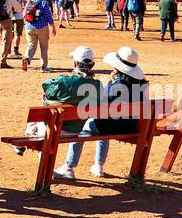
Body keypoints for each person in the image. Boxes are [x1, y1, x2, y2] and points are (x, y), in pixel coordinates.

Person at [89, 47, 149, 176]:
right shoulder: (142, 85)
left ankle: (73, 166)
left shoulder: (116, 85)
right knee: (103, 122)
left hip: (109, 128)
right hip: (131, 127)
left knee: (87, 123)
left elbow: (100, 107)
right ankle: (98, 165)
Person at [48, 46, 106, 179]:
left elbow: (47, 88)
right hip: (80, 128)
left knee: (40, 121)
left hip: (59, 129)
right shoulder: (98, 85)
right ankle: (72, 166)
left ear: (74, 63)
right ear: (92, 64)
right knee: (86, 125)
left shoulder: (66, 81)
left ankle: (51, 170)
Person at [22, 0, 56, 72]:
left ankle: (27, 58)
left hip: (29, 27)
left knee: (31, 45)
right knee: (44, 47)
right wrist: (53, 27)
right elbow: (49, 16)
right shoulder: (44, 3)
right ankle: (44, 66)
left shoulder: (29, 2)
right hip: (42, 28)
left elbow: (23, 15)